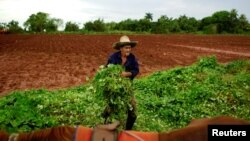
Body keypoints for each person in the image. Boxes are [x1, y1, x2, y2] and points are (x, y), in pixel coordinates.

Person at [103, 35, 139, 130]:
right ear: (120, 48)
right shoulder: (113, 57)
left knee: (132, 112)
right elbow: (106, 70)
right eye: (126, 48)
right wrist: (113, 75)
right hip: (114, 87)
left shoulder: (132, 58)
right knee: (110, 108)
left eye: (129, 48)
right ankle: (106, 126)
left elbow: (136, 70)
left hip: (127, 87)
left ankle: (128, 131)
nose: (128, 50)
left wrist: (126, 74)